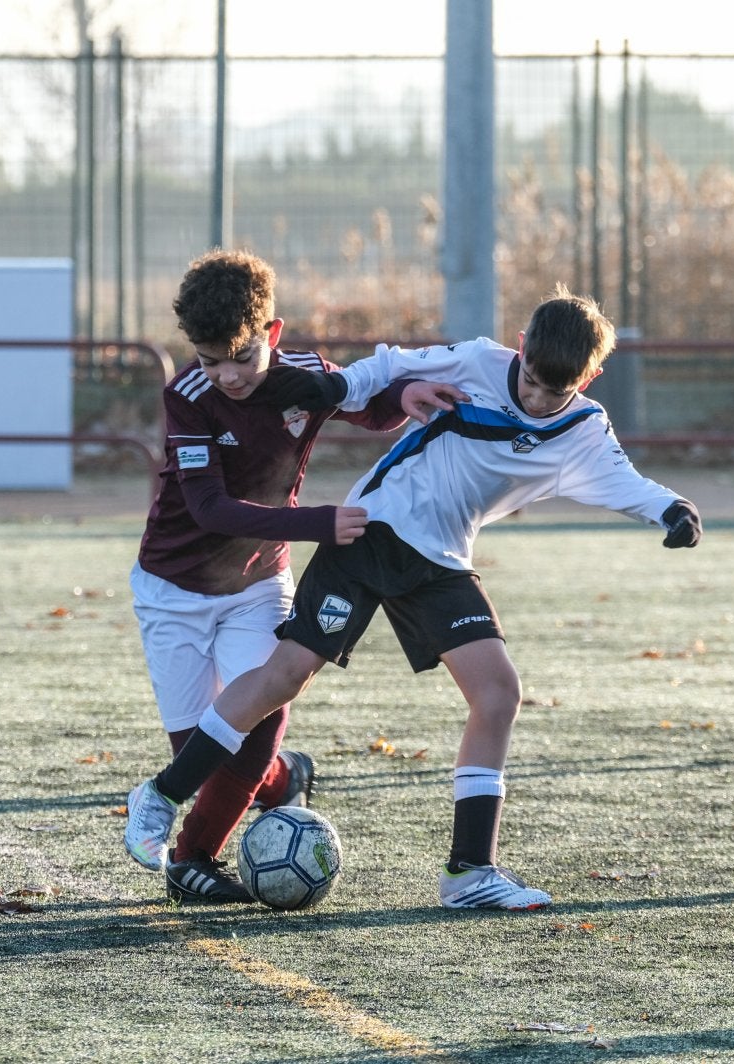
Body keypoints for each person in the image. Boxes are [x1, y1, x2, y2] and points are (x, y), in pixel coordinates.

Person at [123, 285, 703, 910]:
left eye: (553, 392)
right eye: (530, 380)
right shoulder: (477, 360)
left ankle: (469, 873)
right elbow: (393, 363)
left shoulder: (584, 429)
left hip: (442, 558)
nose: (535, 399)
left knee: (498, 692)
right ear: (522, 346)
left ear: (589, 378)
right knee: (284, 675)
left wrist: (670, 509)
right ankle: (161, 794)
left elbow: (623, 480)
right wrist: (348, 390)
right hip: (375, 528)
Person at [129, 248, 460, 904]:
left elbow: (370, 405)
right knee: (203, 749)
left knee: (253, 718)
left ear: (272, 335)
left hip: (256, 587)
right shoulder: (186, 396)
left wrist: (405, 394)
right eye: (209, 359)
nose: (225, 375)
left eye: (240, 357)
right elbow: (209, 509)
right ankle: (282, 779)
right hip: (172, 589)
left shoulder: (306, 377)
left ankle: (193, 857)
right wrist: (319, 523)